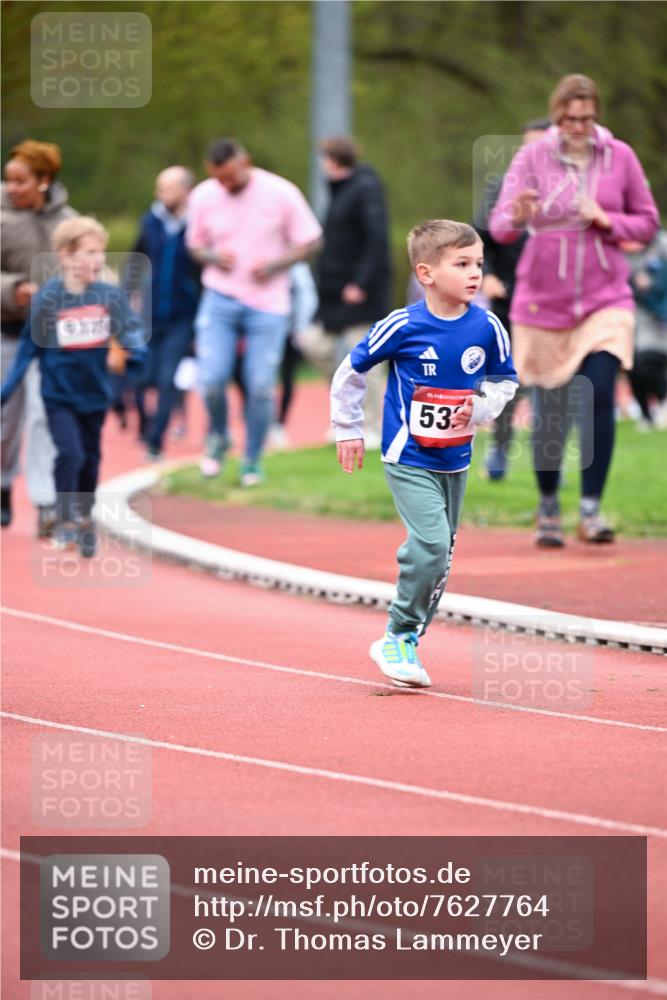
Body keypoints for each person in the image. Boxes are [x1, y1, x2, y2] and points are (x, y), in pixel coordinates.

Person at [330, 220, 517, 687]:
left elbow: (504, 381)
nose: (475, 273)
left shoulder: (488, 326)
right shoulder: (403, 324)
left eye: (478, 263)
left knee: (442, 555)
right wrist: (347, 429)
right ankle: (397, 634)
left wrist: (481, 406)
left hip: (456, 457)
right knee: (432, 545)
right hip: (407, 453)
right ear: (426, 273)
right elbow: (350, 373)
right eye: (462, 264)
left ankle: (407, 639)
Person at [490, 74, 659, 546]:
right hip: (544, 302)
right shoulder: (531, 157)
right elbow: (500, 228)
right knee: (552, 412)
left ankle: (590, 510)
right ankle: (548, 505)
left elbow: (647, 223)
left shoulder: (619, 157)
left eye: (587, 117)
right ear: (557, 115)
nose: (579, 125)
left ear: (596, 115)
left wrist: (605, 217)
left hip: (606, 298)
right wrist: (518, 216)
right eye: (569, 117)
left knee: (600, 393)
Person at [0, 218, 146, 556]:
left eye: (101, 253)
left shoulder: (108, 295)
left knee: (91, 459)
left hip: (95, 393)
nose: (97, 260)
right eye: (90, 252)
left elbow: (131, 332)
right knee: (70, 453)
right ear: (65, 256)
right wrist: (6, 391)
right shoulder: (49, 297)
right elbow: (27, 348)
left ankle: (84, 516)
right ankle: (64, 520)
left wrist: (138, 354)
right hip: (58, 394)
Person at [186, 137, 322, 486]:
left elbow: (311, 241)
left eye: (230, 176)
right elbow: (195, 245)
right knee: (212, 378)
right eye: (219, 179)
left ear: (244, 161)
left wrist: (278, 263)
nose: (225, 185)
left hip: (268, 302)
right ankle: (218, 436)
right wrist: (214, 257)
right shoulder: (203, 195)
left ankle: (251, 460)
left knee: (260, 384)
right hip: (220, 297)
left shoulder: (281, 192)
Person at [1, 140, 77, 534]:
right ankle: (1, 483)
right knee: (5, 421)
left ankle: (46, 501)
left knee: (43, 416)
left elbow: (88, 271)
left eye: (21, 180)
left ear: (44, 180)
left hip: (51, 339)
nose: (11, 187)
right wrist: (13, 290)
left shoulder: (69, 223)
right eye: (8, 179)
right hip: (7, 333)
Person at [301, 136, 392, 448]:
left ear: (332, 160)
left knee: (366, 359)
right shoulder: (339, 191)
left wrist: (361, 283)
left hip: (360, 296)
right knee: (313, 343)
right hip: (332, 296)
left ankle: (371, 428)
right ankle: (346, 413)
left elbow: (377, 240)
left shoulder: (365, 188)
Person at [473, 117, 551, 480]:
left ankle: (548, 460)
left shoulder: (570, 191)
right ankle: (500, 451)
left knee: (551, 386)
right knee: (507, 381)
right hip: (509, 301)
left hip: (555, 306)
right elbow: (480, 237)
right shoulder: (500, 187)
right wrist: (486, 274)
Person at [130, 165, 201, 459]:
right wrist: (127, 297)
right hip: (147, 315)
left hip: (182, 317)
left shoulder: (198, 224)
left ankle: (156, 441)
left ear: (185, 191)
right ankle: (144, 426)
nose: (159, 194)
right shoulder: (150, 221)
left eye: (165, 188)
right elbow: (135, 260)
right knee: (140, 377)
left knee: (167, 377)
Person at [268, 261, 318, 450]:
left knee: (287, 377)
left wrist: (300, 327)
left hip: (290, 331)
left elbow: (307, 298)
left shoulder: (298, 268)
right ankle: (266, 420)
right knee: (263, 379)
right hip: (267, 329)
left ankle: (279, 424)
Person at [626, 230, 667, 429]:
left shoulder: (661, 244)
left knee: (649, 362)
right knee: (634, 368)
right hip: (633, 319)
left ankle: (663, 401)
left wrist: (651, 284)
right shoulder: (620, 248)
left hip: (658, 319)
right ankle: (646, 415)